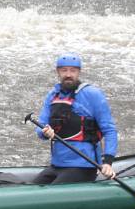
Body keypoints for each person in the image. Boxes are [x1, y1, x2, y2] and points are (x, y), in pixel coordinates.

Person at [32, 53, 118, 184]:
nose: (68, 74)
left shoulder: (93, 94)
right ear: (58, 72)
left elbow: (110, 130)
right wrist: (44, 132)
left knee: (50, 195)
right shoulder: (53, 95)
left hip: (84, 166)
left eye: (73, 70)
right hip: (57, 164)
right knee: (31, 189)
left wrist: (108, 162)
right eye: (64, 70)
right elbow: (41, 128)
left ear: (79, 72)